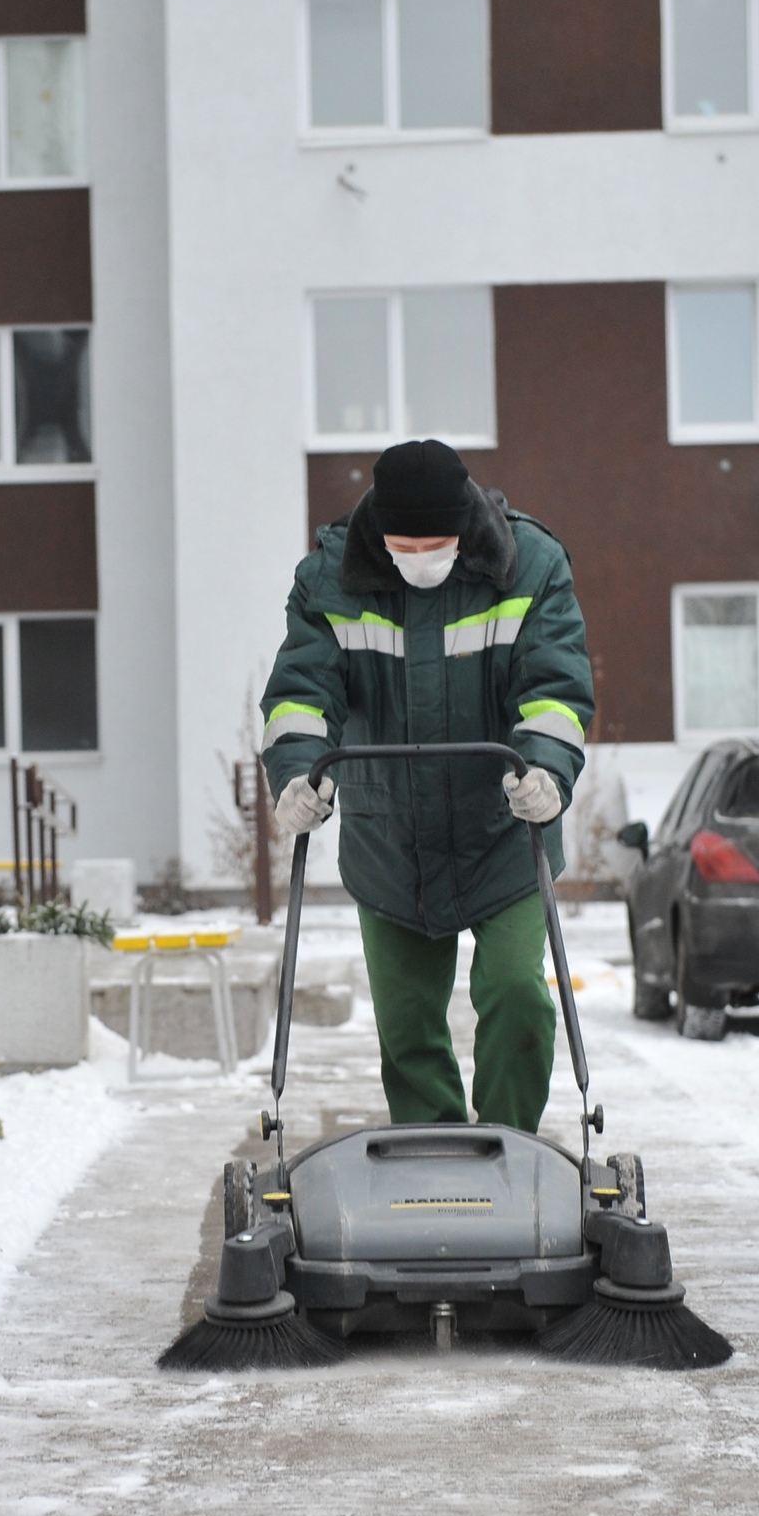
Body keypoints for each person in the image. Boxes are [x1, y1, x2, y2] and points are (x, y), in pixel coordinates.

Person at [259, 439, 595, 1133]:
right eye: (405, 543)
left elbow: (555, 686)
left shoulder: (530, 567)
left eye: (436, 541)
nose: (421, 555)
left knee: (518, 994)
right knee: (408, 1025)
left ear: (465, 523)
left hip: (507, 832)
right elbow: (302, 692)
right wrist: (296, 774)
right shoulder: (330, 578)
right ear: (379, 533)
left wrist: (546, 770)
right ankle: (430, 1156)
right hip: (392, 841)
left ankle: (509, 1147)